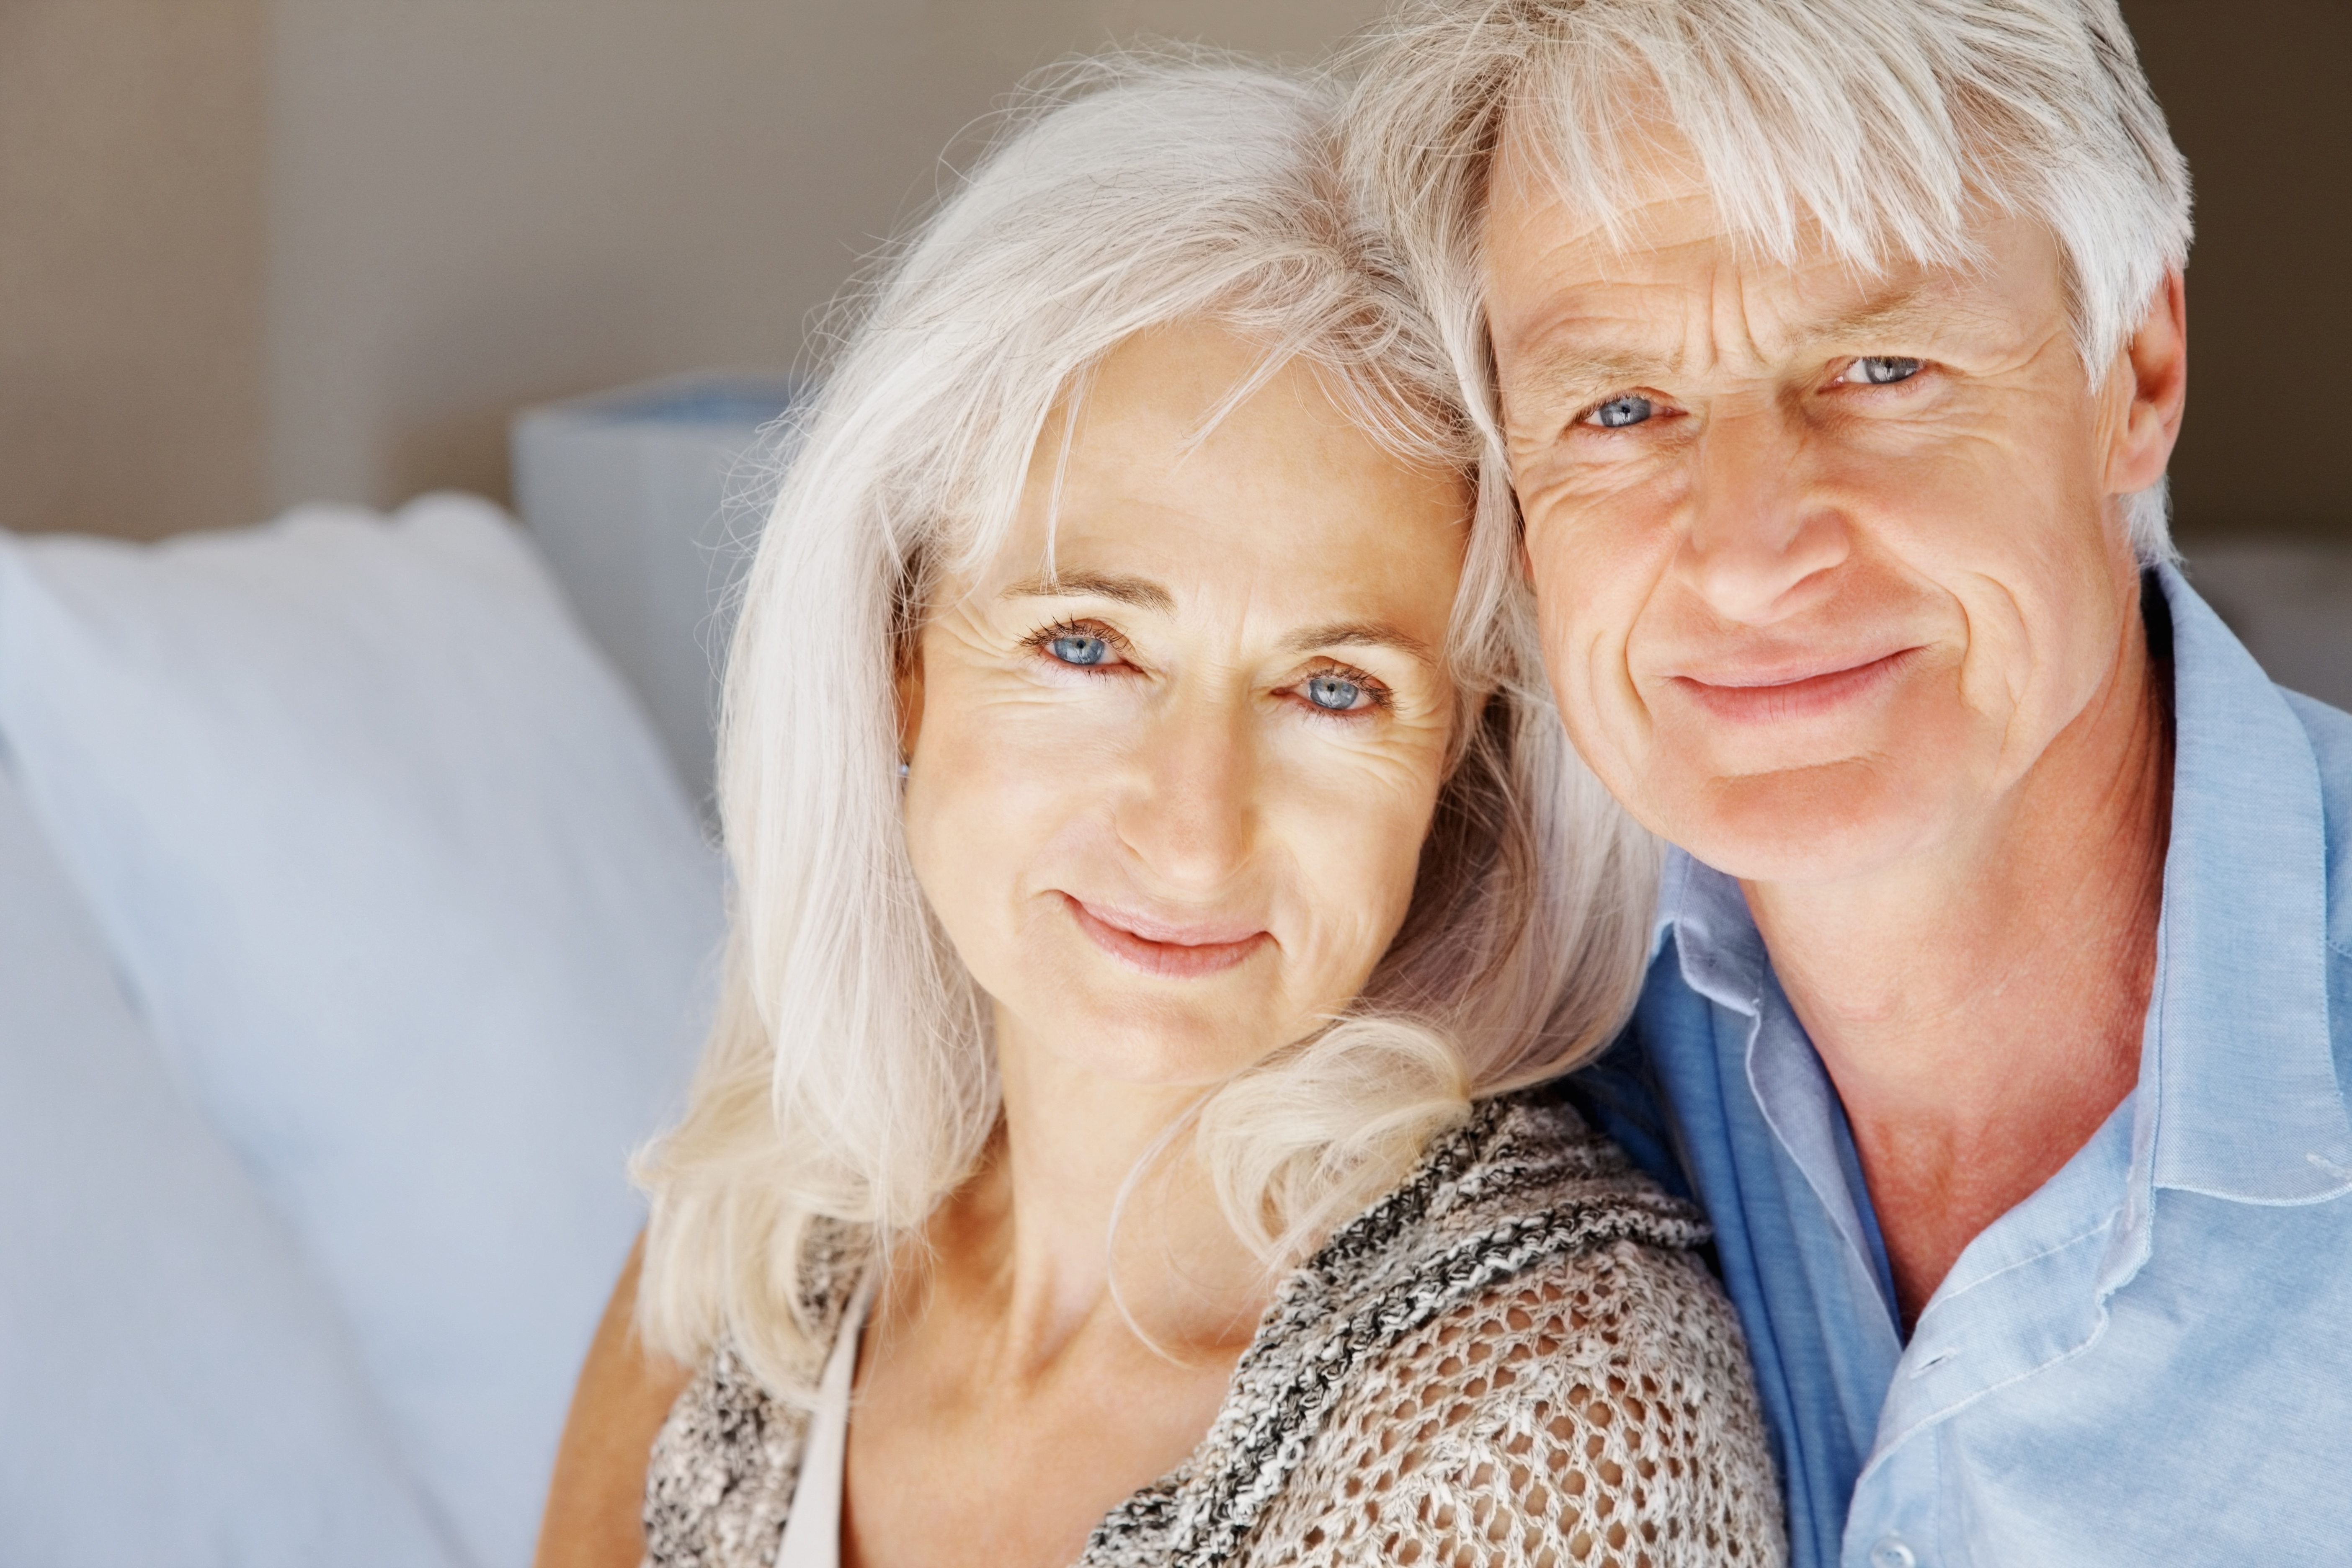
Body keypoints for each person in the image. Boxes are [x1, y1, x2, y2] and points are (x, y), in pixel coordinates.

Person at [531, 63, 1785, 1568]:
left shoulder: (1548, 1419)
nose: (1194, 835)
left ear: (1467, 749)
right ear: (901, 656)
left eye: (1333, 690)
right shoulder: (756, 1235)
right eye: (1088, 648)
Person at [1349, 2, 2352, 1565]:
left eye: (1881, 369)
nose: (1751, 555)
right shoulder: (1462, 1030)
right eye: (1621, 410)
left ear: (2136, 372)